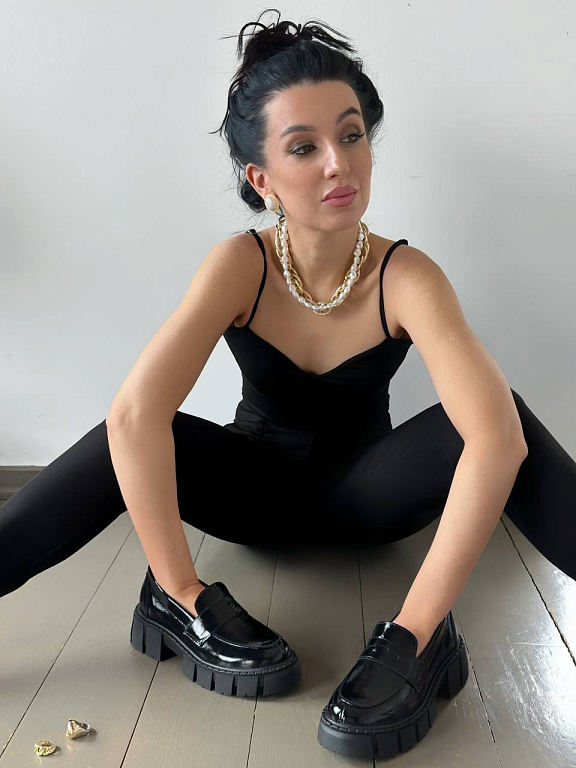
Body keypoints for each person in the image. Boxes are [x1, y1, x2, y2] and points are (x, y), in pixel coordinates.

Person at [1, 8, 574, 760]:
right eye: (305, 147)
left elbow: (495, 442)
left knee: (503, 417)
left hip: (372, 500)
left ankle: (419, 642)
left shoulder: (407, 275)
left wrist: (414, 630)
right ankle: (173, 604)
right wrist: (182, 584)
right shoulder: (239, 264)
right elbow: (135, 415)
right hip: (253, 496)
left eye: (352, 136)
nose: (340, 164)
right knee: (133, 428)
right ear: (262, 179)